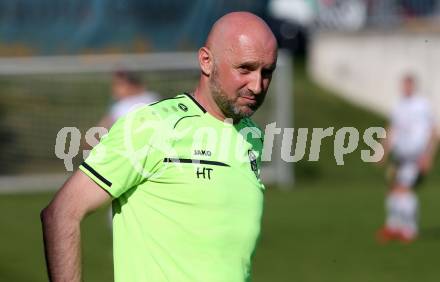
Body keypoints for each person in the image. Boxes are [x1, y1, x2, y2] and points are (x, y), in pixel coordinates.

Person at [41, 11, 278, 282]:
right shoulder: (152, 126)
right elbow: (61, 214)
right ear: (206, 61)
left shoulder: (252, 138)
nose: (257, 86)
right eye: (245, 69)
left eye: (267, 72)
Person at [377, 74, 438, 243]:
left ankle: (409, 229)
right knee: (393, 189)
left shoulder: (422, 105)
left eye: (408, 85)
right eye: (403, 85)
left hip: (416, 156)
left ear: (413, 86)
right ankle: (393, 227)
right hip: (400, 156)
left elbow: (434, 131)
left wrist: (428, 156)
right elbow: (392, 128)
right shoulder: (398, 105)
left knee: (403, 189)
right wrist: (383, 149)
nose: (405, 88)